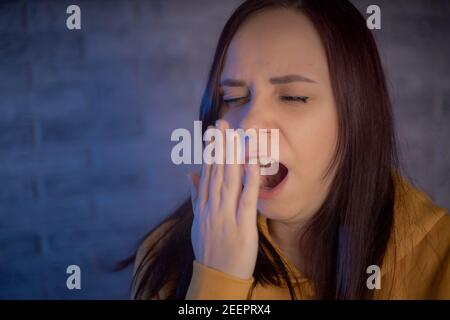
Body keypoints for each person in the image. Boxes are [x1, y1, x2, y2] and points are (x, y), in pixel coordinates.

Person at [131, 0, 450, 299]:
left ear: (359, 116)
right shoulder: (164, 260)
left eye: (294, 97)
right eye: (233, 98)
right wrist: (216, 280)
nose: (249, 126)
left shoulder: (441, 257)